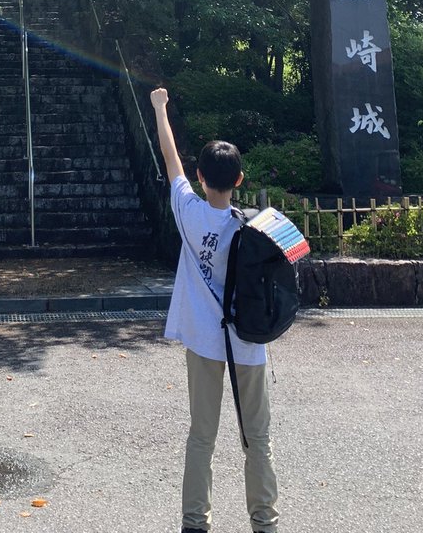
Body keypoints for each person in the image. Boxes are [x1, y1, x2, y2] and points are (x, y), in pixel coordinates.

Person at [150, 86, 278, 533]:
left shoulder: (189, 212)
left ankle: (195, 522)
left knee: (201, 436)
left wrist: (160, 109)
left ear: (201, 177)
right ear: (239, 180)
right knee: (256, 438)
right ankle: (264, 522)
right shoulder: (255, 226)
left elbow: (171, 160)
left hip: (204, 341)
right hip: (248, 342)